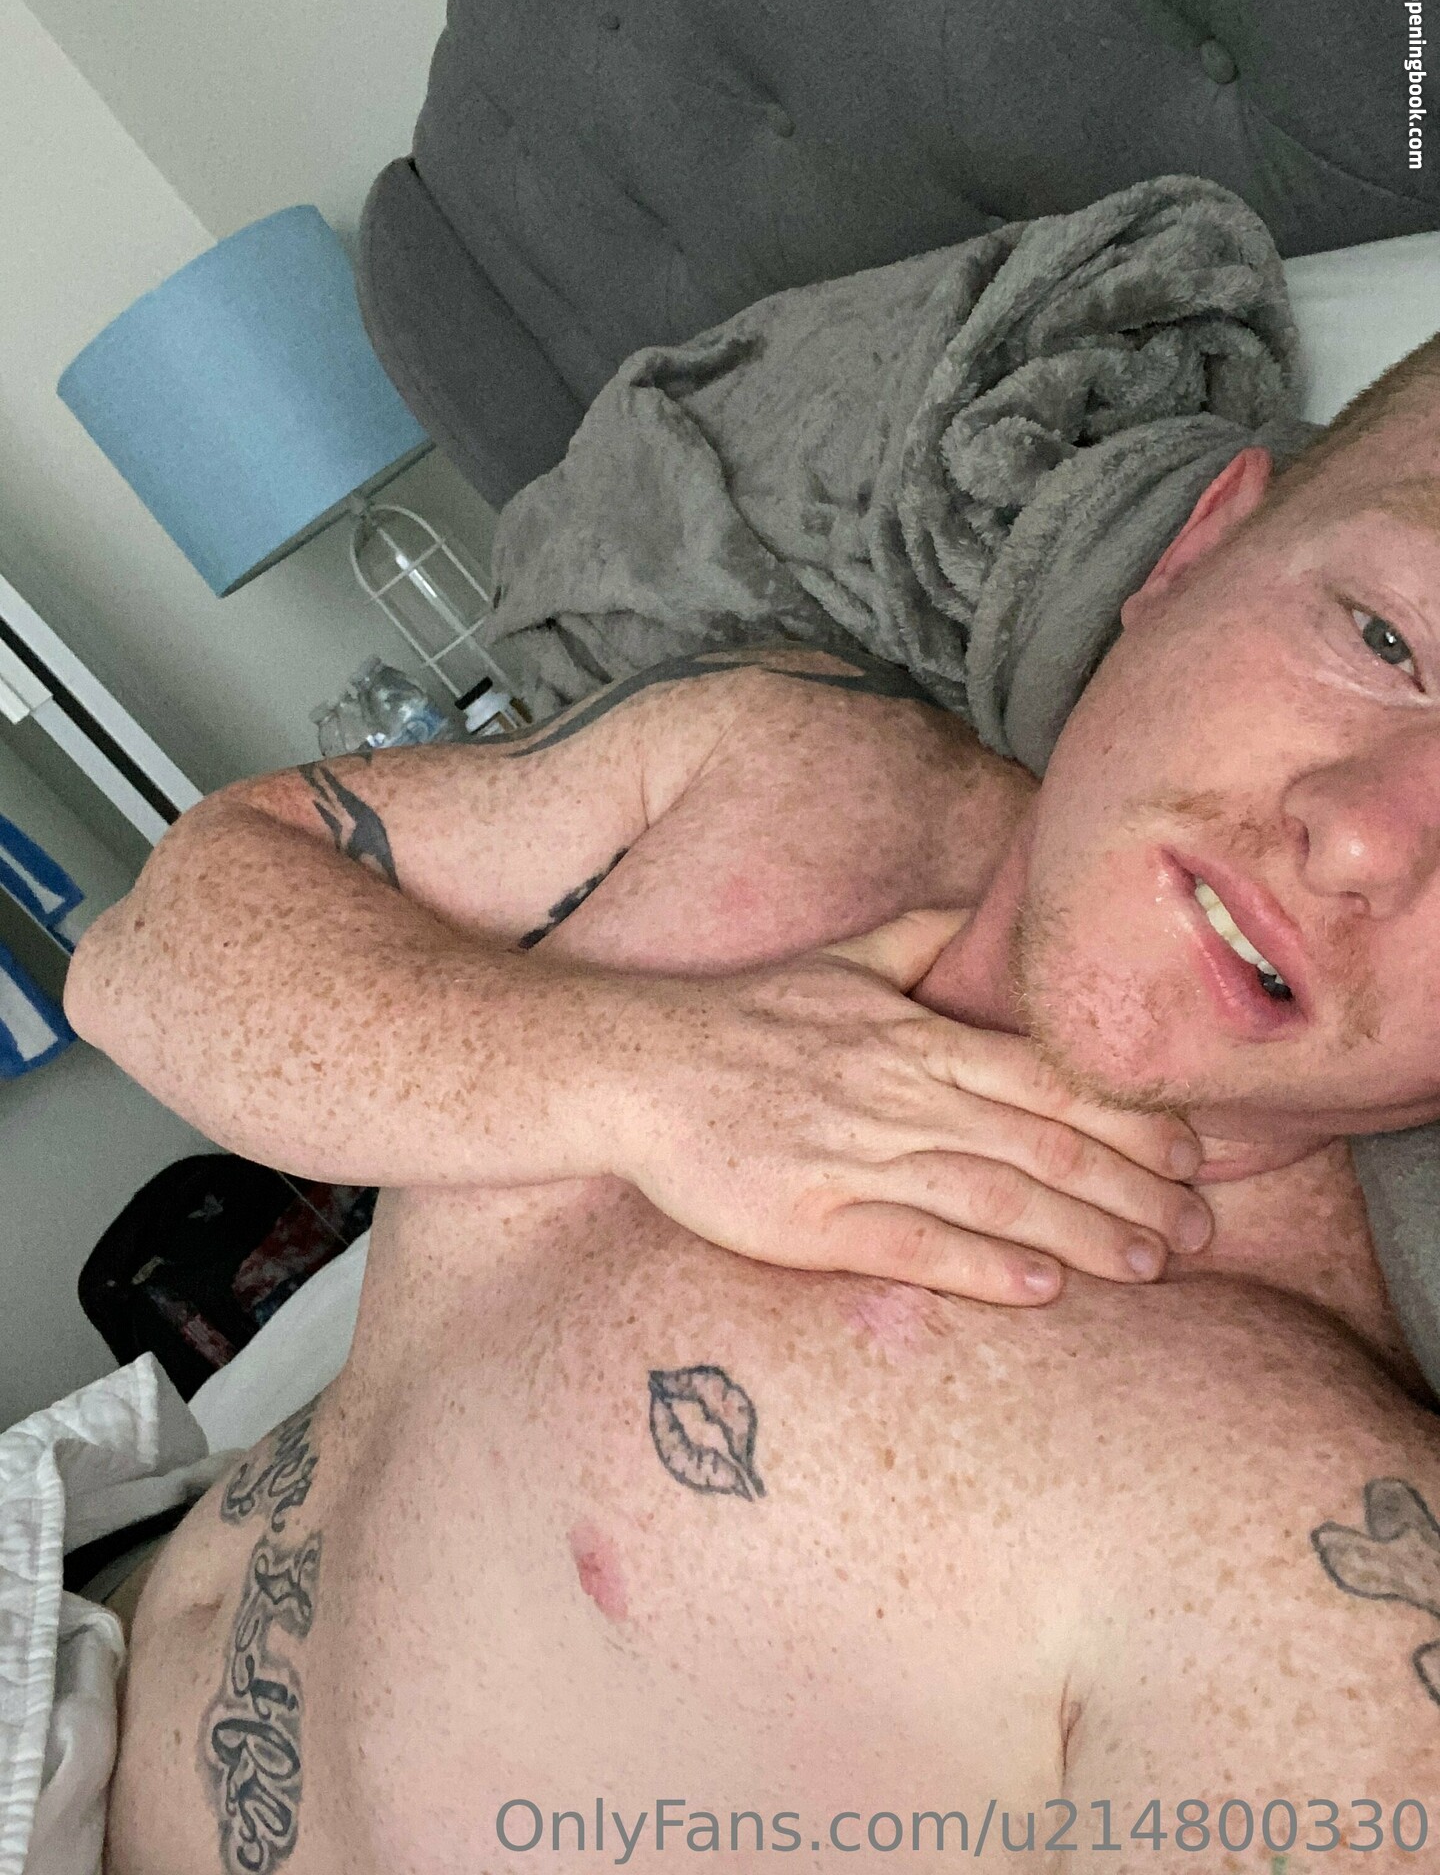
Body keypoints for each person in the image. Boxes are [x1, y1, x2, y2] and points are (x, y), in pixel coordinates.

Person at [67, 333, 1440, 1874]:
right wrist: (653, 1074)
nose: (1366, 839)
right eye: (1386, 639)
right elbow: (147, 951)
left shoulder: (1315, 1568)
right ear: (1195, 554)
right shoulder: (792, 763)